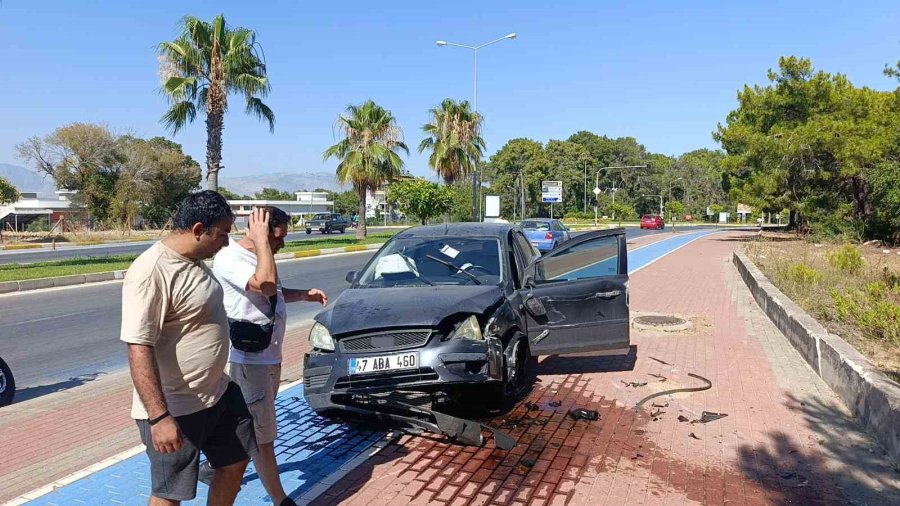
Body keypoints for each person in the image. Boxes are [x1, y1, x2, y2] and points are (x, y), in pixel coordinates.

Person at [121, 190, 257, 506]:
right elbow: (138, 346)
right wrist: (159, 418)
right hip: (177, 407)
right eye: (222, 234)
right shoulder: (152, 271)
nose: (226, 242)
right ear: (198, 229)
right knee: (171, 493)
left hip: (218, 394)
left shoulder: (195, 261)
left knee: (235, 461)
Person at [212, 206, 327, 506]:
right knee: (263, 436)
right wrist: (263, 242)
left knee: (252, 426)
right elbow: (263, 284)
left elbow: (272, 291)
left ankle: (213, 465)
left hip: (268, 358)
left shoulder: (260, 258)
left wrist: (303, 294)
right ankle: (280, 500)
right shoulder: (230, 258)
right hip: (249, 362)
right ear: (260, 230)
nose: (281, 244)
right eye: (278, 237)